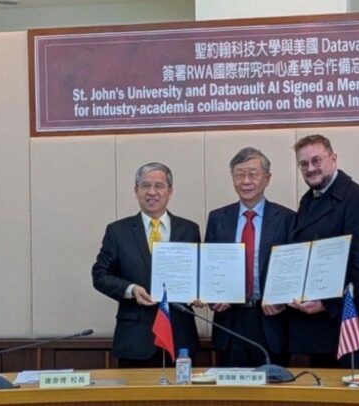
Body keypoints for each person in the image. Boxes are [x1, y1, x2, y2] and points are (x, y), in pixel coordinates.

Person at [92, 162, 200, 368]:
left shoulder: (189, 229)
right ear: (136, 191)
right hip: (135, 338)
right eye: (145, 186)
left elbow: (198, 273)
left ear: (170, 191)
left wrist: (200, 293)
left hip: (179, 336)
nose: (152, 192)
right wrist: (131, 290)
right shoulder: (118, 231)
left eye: (159, 186)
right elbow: (100, 275)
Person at [289, 134, 359, 368]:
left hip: (348, 325)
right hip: (317, 329)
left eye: (316, 160)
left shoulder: (358, 200)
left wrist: (327, 303)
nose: (310, 168)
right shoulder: (308, 201)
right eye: (303, 164)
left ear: (333, 158)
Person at [204, 147, 295, 367]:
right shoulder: (218, 218)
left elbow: (294, 268)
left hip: (271, 320)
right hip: (229, 321)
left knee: (272, 386)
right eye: (239, 174)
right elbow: (209, 267)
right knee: (231, 385)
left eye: (252, 174)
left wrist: (282, 300)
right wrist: (212, 297)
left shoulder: (287, 218)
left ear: (267, 178)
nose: (245, 181)